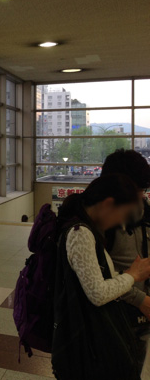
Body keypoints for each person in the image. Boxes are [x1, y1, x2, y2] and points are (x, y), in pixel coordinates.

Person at [52, 174, 150, 380]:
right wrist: (133, 275)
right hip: (84, 337)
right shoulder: (81, 233)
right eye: (122, 214)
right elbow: (97, 293)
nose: (120, 221)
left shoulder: (86, 229)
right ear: (108, 204)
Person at [101, 149, 150, 375]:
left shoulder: (144, 212)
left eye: (143, 191)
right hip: (112, 320)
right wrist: (140, 300)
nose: (141, 197)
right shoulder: (99, 222)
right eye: (136, 191)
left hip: (142, 320)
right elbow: (98, 278)